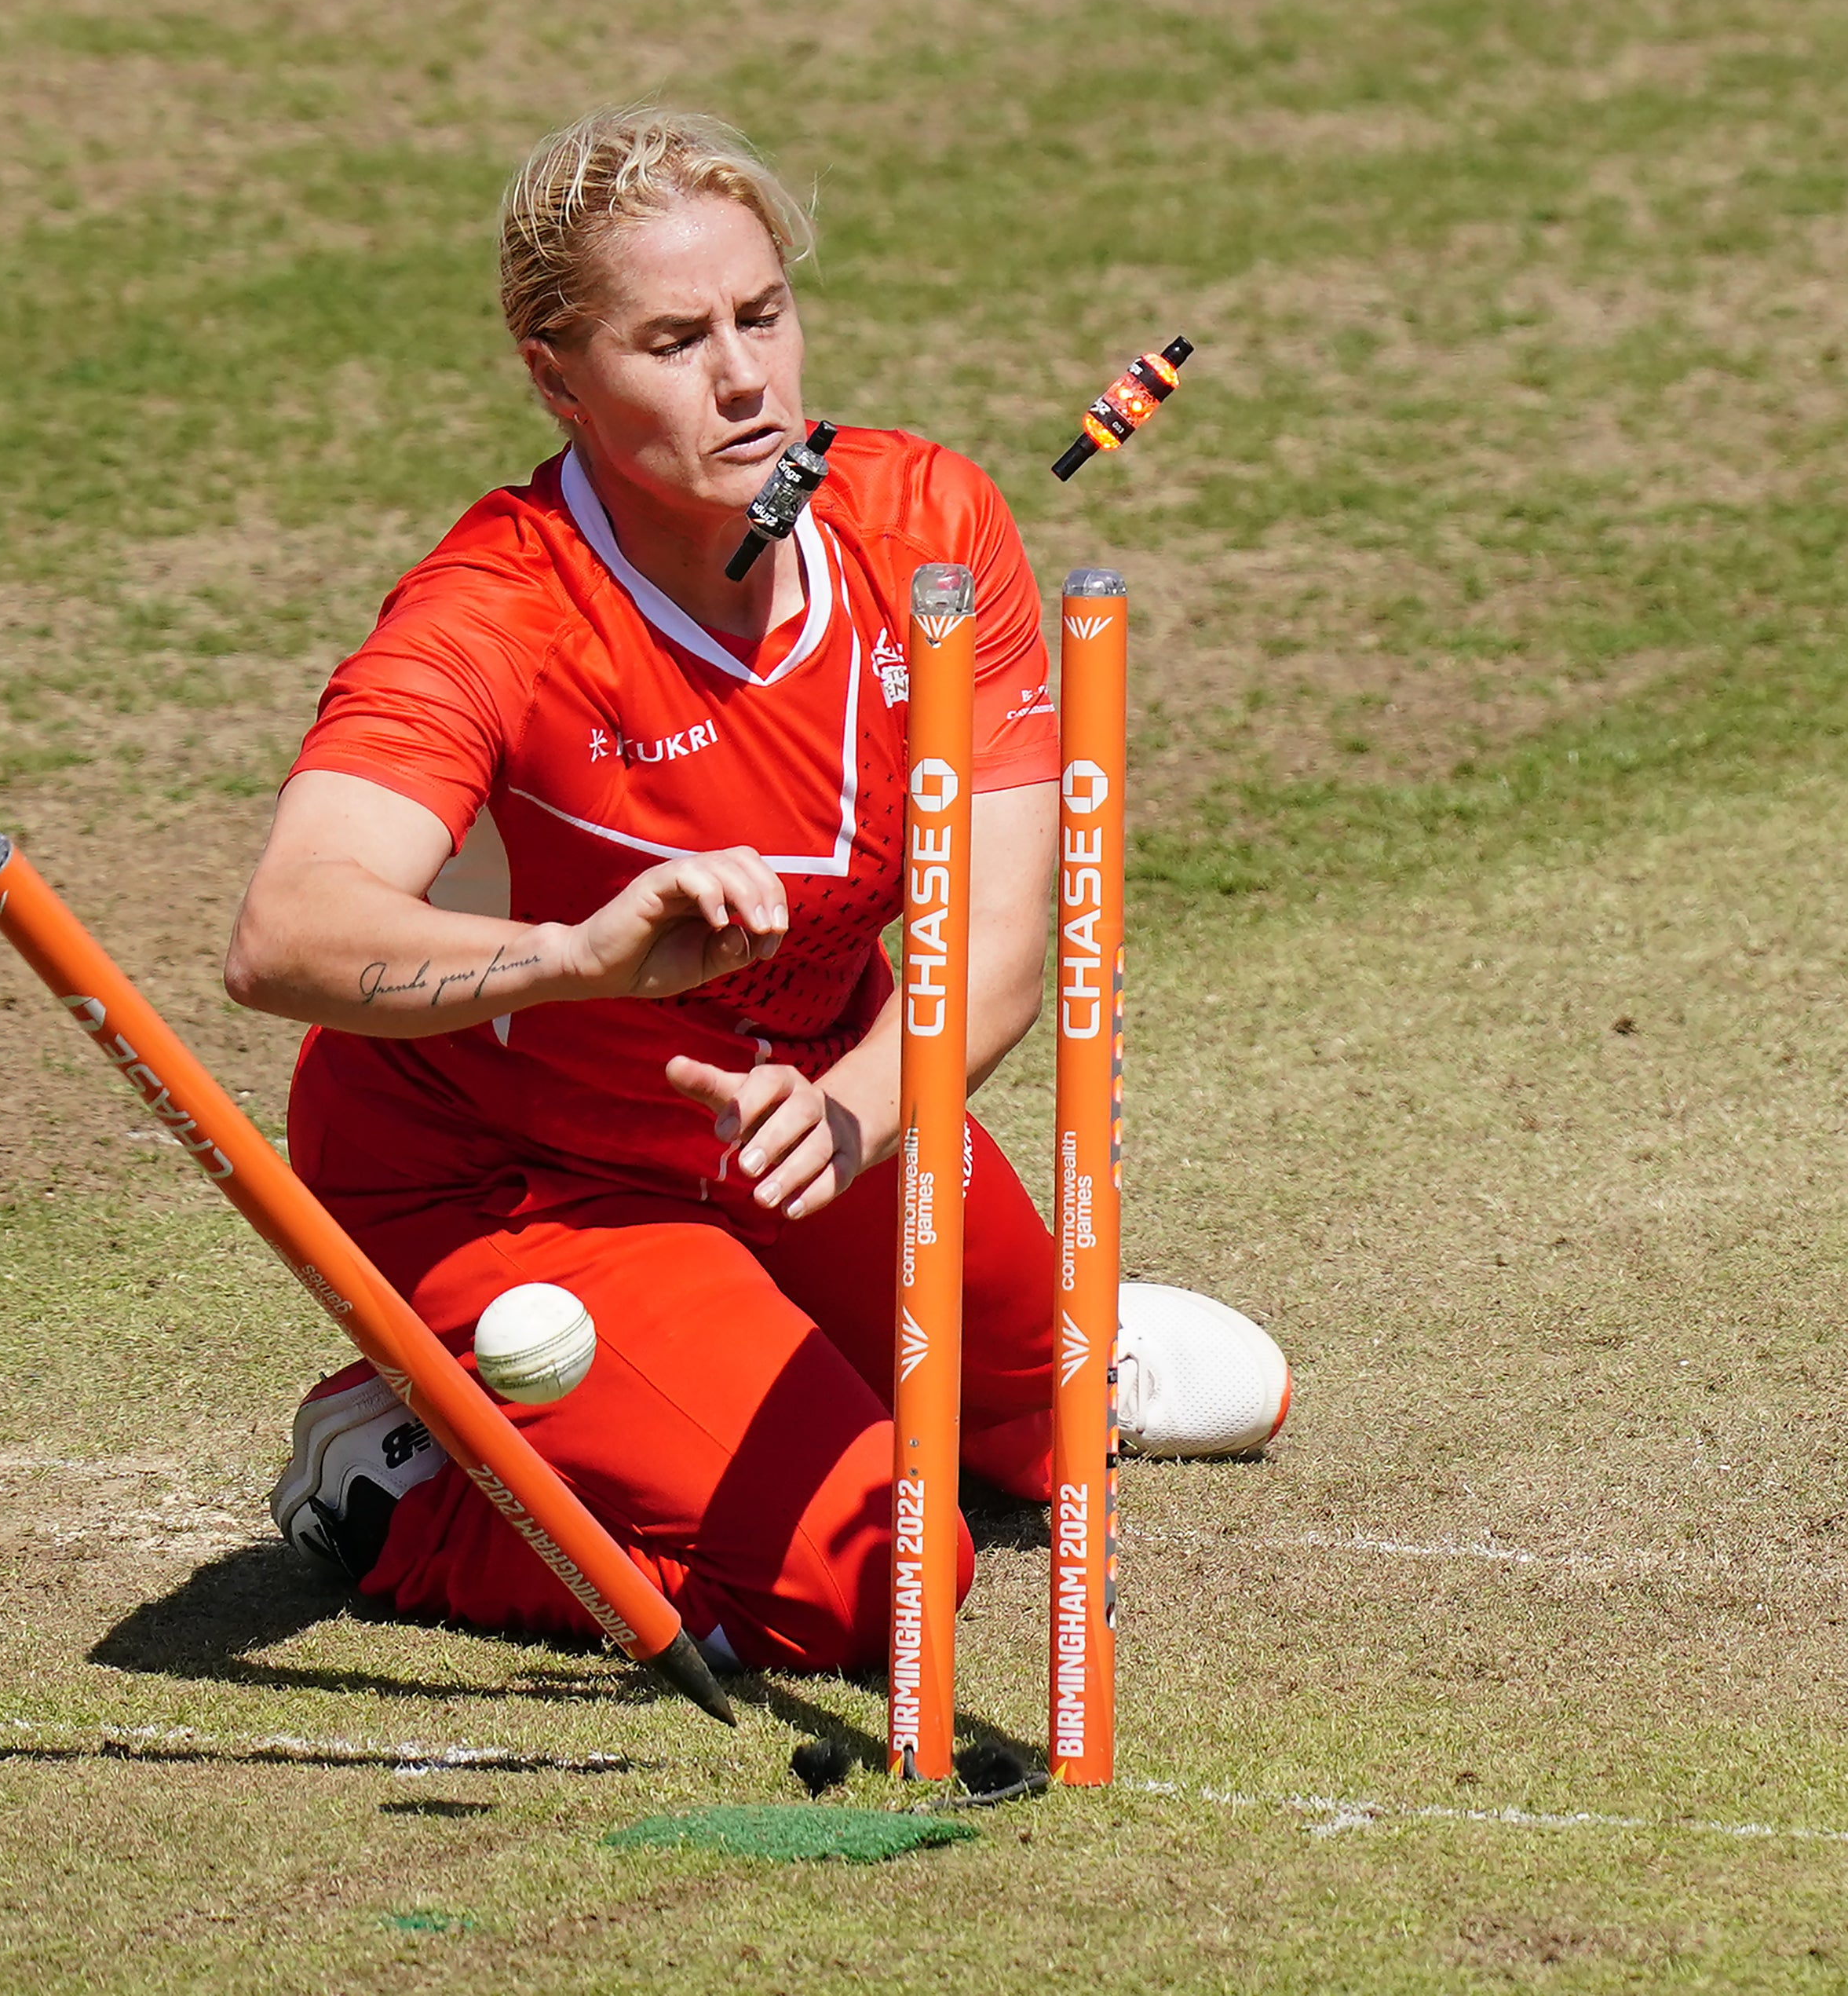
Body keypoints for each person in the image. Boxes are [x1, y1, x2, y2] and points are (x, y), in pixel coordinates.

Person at [226, 107, 1287, 1674]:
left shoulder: (924, 521)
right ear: (553, 373)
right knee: (875, 1582)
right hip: (515, 1178)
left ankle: (972, 1344)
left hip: (807, 1119)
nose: (743, 377)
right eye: (672, 339)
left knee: (1115, 1420)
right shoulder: (488, 618)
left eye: (761, 315)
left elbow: (1006, 920)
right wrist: (573, 956)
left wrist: (869, 1100)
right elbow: (286, 931)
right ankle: (397, 1479)